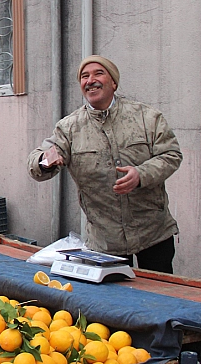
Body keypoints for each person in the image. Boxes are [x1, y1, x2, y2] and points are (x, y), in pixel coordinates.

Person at [28, 55, 182, 274]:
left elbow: (171, 154)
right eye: (84, 76)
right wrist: (45, 162)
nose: (91, 80)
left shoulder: (147, 117)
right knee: (116, 303)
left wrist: (141, 174)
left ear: (114, 83)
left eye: (98, 73)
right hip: (105, 241)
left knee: (160, 298)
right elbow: (36, 162)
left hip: (153, 232)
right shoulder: (69, 128)